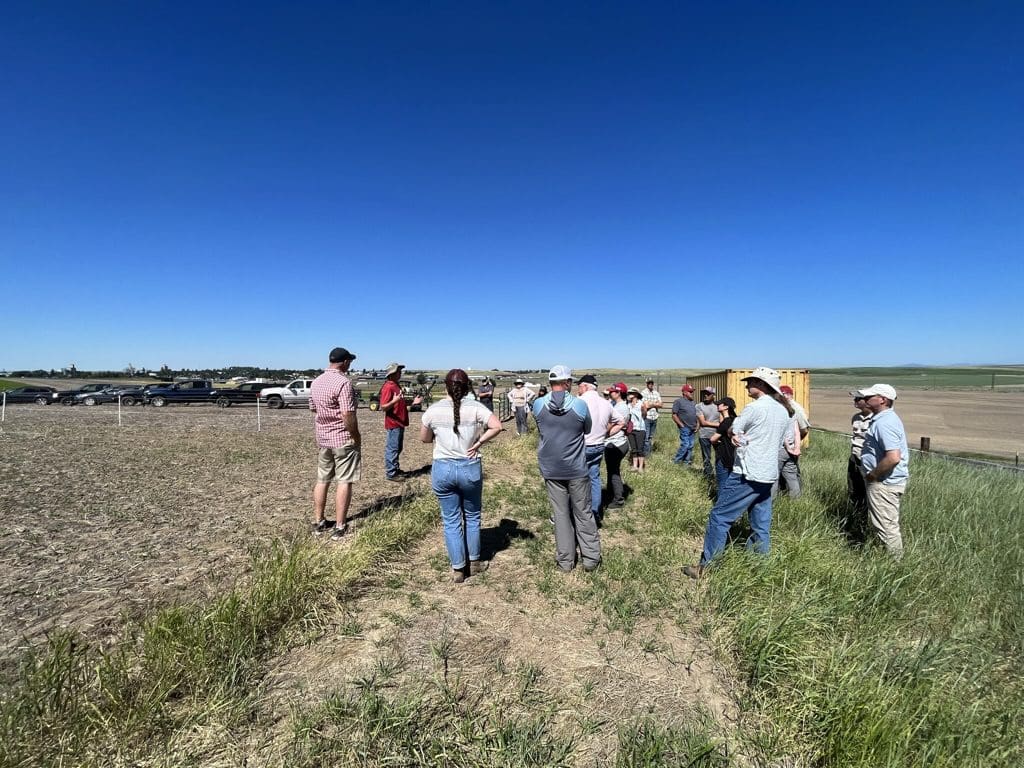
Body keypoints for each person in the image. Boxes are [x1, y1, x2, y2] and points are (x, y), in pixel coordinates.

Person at [684, 367, 792, 578]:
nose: (747, 385)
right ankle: (760, 567)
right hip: (769, 474)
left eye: (751, 381)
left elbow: (734, 429)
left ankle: (707, 567)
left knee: (720, 516)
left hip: (747, 472)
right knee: (760, 523)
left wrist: (738, 438)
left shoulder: (755, 408)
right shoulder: (783, 411)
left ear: (761, 385)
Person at [420, 369, 503, 583]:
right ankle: (474, 562)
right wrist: (478, 443)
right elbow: (497, 426)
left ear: (445, 387)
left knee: (451, 520)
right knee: (472, 516)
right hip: (469, 467)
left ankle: (458, 567)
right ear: (467, 387)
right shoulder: (476, 407)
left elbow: (425, 439)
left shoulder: (433, 410)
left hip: (443, 468)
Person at [532, 365, 601, 572]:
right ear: (568, 382)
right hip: (576, 468)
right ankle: (590, 558)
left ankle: (565, 561)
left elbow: (540, 427)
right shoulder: (579, 406)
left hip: (551, 468)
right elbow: (587, 429)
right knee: (584, 512)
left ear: (550, 383)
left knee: (560, 514)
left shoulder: (538, 405)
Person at [309, 347, 362, 541]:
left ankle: (319, 520)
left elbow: (313, 409)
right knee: (344, 480)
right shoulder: (343, 383)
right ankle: (340, 525)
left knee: (322, 479)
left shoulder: (316, 382)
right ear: (345, 362)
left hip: (323, 439)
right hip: (342, 439)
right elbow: (347, 414)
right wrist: (355, 435)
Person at [858, 384, 909, 558]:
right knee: (884, 524)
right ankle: (889, 559)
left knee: (887, 527)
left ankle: (895, 565)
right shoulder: (883, 420)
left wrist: (873, 475)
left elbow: (893, 457)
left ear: (882, 400)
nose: (864, 400)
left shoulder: (885, 423)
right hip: (885, 481)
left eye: (869, 396)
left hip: (884, 483)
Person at [577, 374, 625, 521]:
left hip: (581, 446)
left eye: (579, 386)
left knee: (575, 480)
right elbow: (621, 422)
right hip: (598, 445)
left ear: (585, 386)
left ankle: (577, 512)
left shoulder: (579, 402)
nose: (578, 388)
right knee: (594, 478)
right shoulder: (606, 403)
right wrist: (606, 434)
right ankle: (595, 512)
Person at [379, 362, 421, 481]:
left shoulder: (395, 385)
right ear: (392, 374)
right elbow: (383, 407)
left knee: (397, 447)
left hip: (399, 422)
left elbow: (400, 403)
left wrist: (413, 402)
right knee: (393, 448)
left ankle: (395, 469)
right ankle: (391, 473)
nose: (400, 373)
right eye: (398, 371)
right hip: (394, 423)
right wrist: (395, 400)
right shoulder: (389, 387)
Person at [773, 384, 810, 499]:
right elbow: (796, 431)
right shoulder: (791, 410)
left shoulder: (789, 409)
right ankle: (797, 501)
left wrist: (789, 446)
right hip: (791, 448)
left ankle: (771, 502)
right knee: (791, 476)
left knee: (774, 477)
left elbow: (802, 429)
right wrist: (796, 447)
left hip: (782, 448)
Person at [604, 382, 630, 510]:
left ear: (619, 393)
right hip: (616, 442)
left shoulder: (621, 408)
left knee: (614, 472)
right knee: (612, 470)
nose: (610, 393)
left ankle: (618, 499)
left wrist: (602, 432)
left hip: (615, 443)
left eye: (613, 391)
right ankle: (611, 493)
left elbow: (610, 424)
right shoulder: (617, 405)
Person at [847, 391, 872, 511]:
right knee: (853, 489)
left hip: (867, 460)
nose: (855, 401)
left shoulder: (876, 420)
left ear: (867, 401)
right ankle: (856, 514)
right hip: (854, 457)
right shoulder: (856, 418)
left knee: (868, 490)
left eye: (858, 399)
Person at [708, 396, 738, 490]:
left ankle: (720, 504)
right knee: (731, 486)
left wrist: (718, 442)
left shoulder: (725, 422)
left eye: (719, 404)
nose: (717, 405)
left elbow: (713, 439)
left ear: (726, 407)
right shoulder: (736, 420)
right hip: (734, 457)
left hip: (723, 457)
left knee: (722, 485)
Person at [696, 387, 721, 480]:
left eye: (708, 393)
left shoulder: (718, 406)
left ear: (713, 395)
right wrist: (719, 425)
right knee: (706, 457)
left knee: (719, 456)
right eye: (704, 393)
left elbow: (723, 420)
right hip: (704, 435)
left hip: (717, 436)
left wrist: (719, 426)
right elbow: (703, 422)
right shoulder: (699, 406)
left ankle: (719, 475)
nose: (705, 395)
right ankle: (708, 476)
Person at [672, 384, 698, 465]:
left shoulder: (693, 402)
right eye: (690, 391)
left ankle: (686, 462)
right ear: (684, 392)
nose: (692, 393)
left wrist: (698, 425)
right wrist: (681, 425)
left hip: (693, 428)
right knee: (685, 445)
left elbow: (697, 414)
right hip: (685, 427)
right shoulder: (678, 402)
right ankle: (676, 461)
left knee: (690, 446)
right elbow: (674, 415)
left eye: (692, 391)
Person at [626, 388, 648, 472]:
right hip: (631, 429)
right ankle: (635, 466)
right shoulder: (628, 405)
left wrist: (644, 410)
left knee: (640, 448)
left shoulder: (641, 404)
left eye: (631, 393)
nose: (629, 394)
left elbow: (644, 416)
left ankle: (641, 467)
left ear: (635, 394)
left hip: (640, 429)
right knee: (633, 448)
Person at [641, 378, 663, 456]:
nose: (650, 384)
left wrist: (651, 404)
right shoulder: (643, 393)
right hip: (647, 417)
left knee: (650, 437)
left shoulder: (656, 393)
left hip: (654, 417)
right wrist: (655, 403)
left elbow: (661, 404)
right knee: (646, 437)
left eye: (651, 383)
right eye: (649, 383)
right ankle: (646, 455)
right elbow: (645, 405)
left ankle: (648, 452)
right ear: (646, 384)